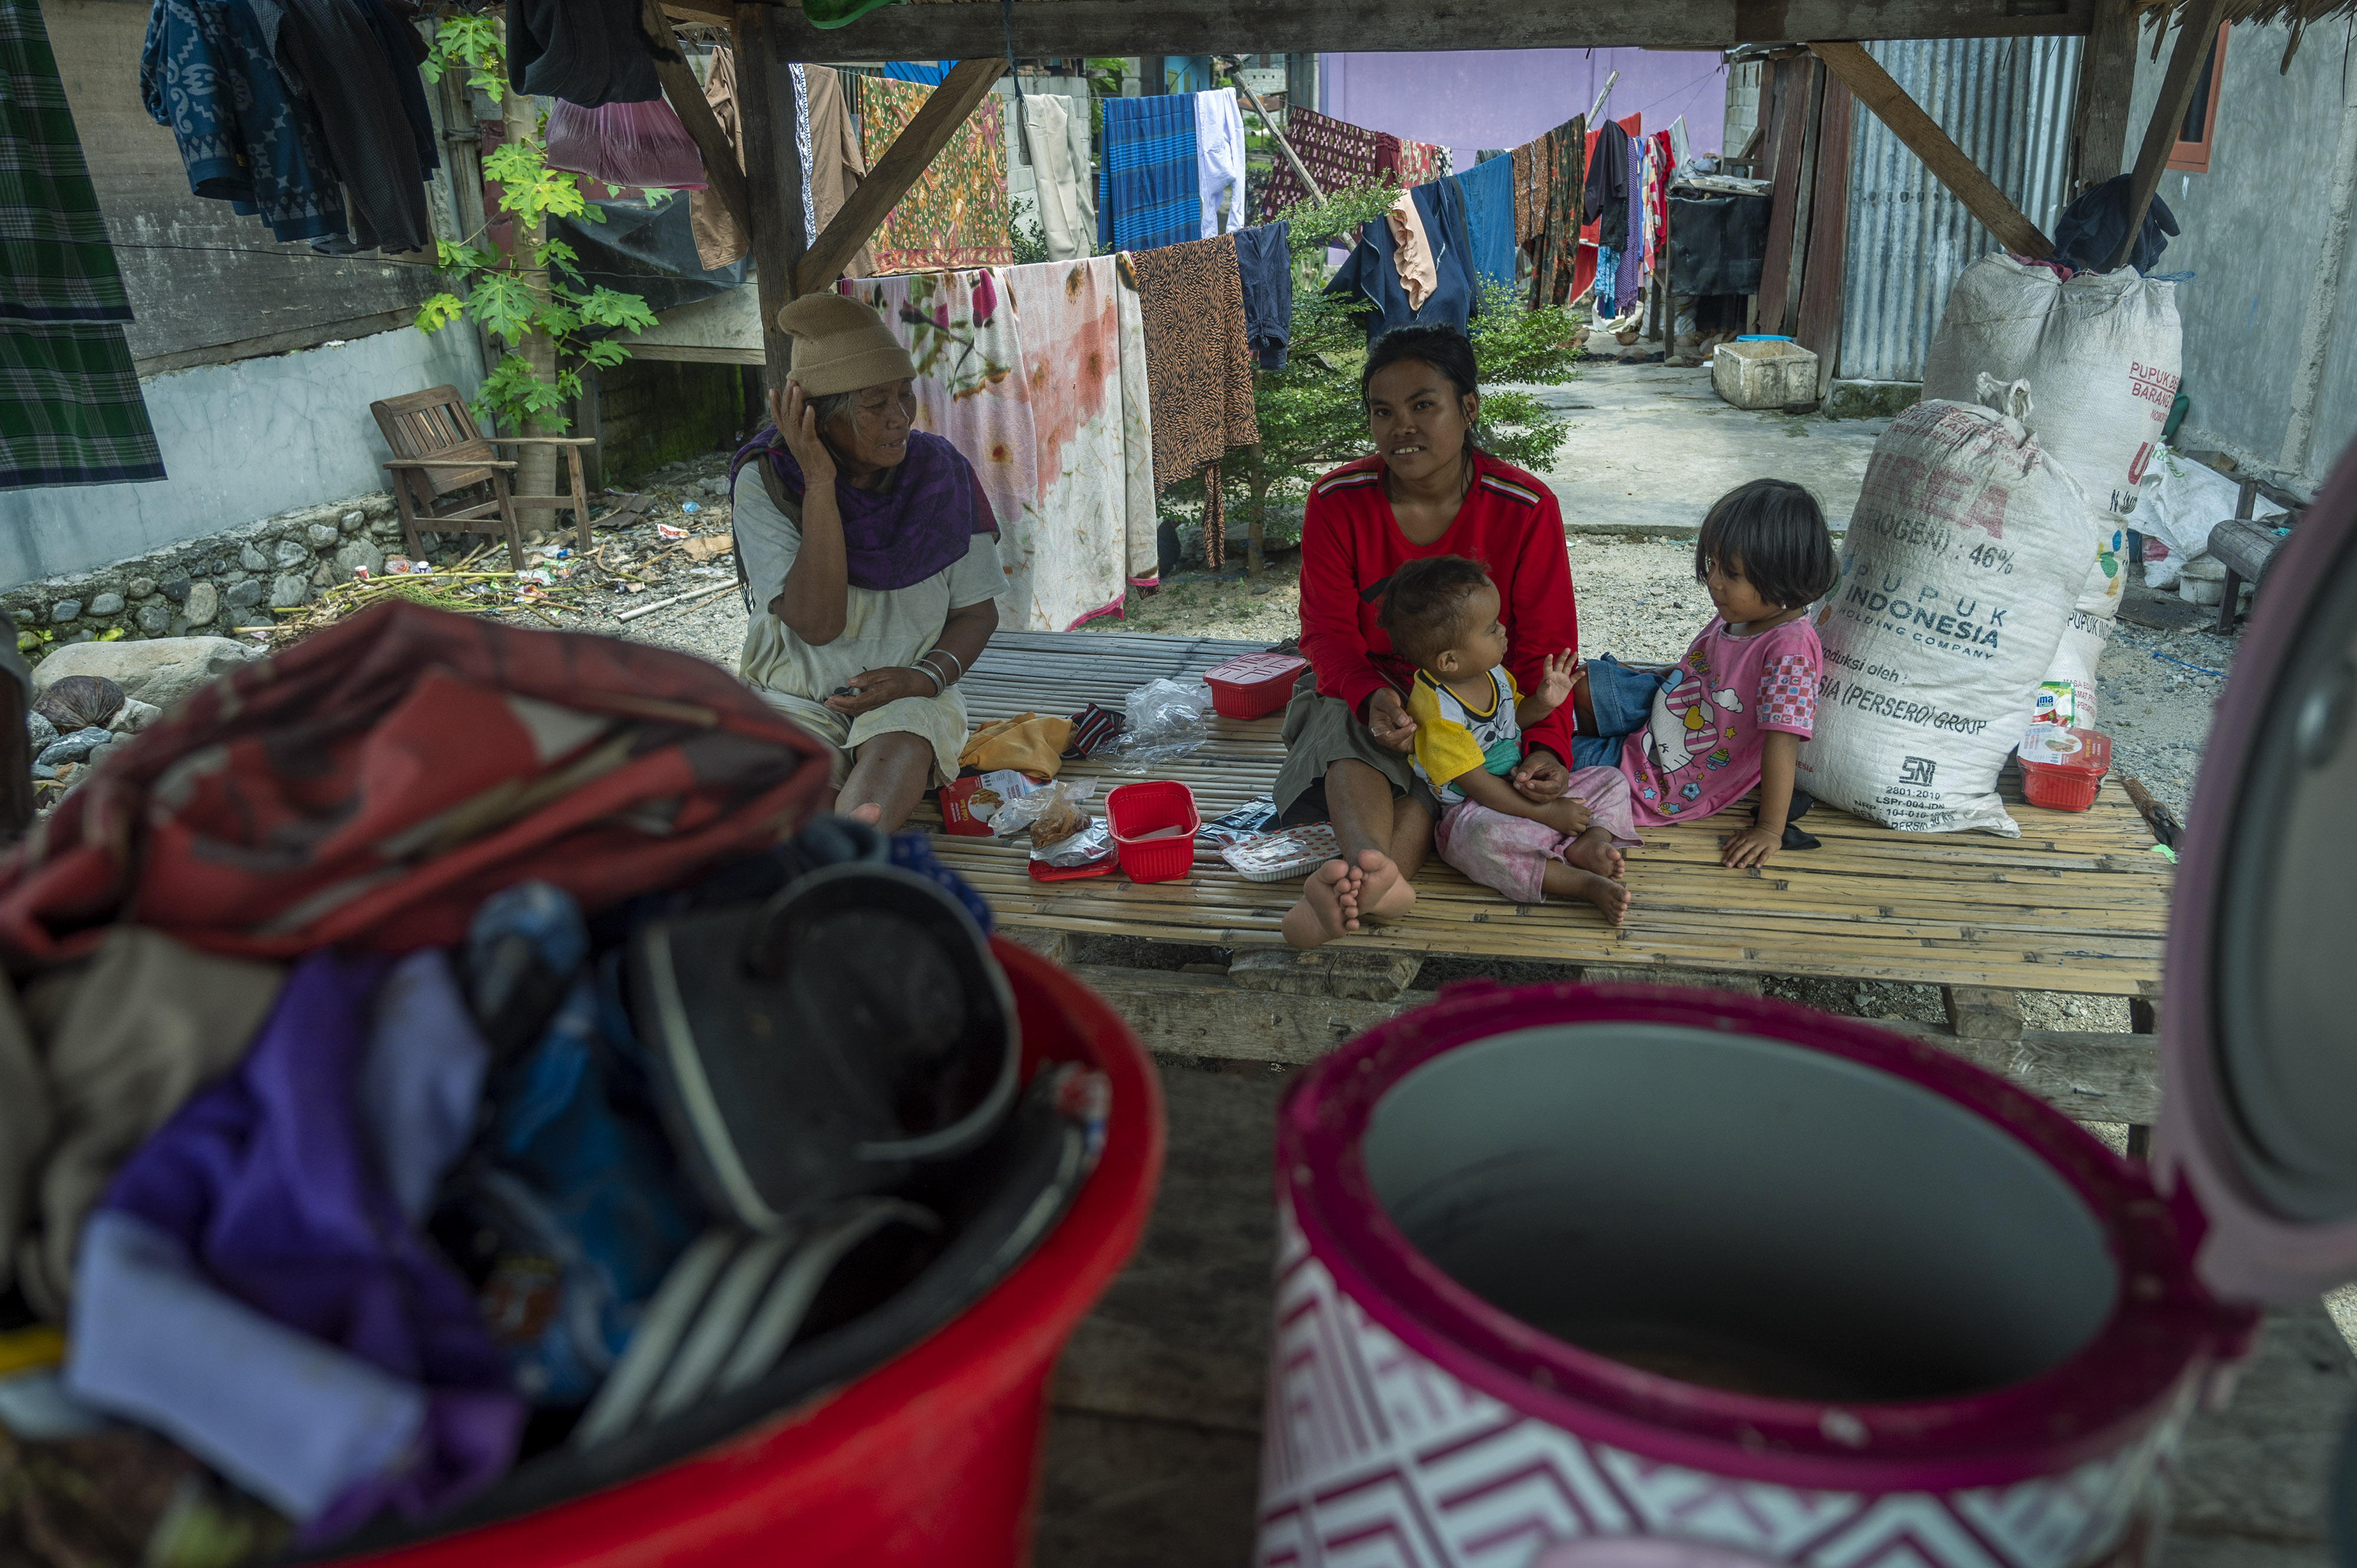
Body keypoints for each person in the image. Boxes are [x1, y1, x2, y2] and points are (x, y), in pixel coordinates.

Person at [1276, 325, 1581, 948]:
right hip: (1372, 698)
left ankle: (1356, 888)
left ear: (1467, 408)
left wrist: (1547, 744)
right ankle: (1371, 872)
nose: (1401, 427)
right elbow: (1328, 635)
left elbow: (1545, 648)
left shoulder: (1523, 507)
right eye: (1382, 411)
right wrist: (1368, 695)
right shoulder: (1336, 500)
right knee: (1345, 727)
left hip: (1476, 711)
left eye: (1423, 405)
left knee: (1440, 779)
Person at [729, 292, 1001, 830]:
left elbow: (978, 612)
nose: (900, 419)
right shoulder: (767, 481)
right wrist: (820, 483)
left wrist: (921, 680)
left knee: (888, 766)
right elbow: (818, 622)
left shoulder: (939, 475)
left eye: (905, 396)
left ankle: (851, 867)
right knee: (795, 814)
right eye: (875, 405)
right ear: (816, 419)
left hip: (911, 697)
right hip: (794, 698)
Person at [1570, 479, 1837, 869]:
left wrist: (1769, 829)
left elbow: (1783, 742)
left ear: (1783, 576)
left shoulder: (1790, 651)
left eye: (1730, 572)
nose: (1713, 581)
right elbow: (1697, 671)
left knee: (1544, 763)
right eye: (1712, 565)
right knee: (1578, 686)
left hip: (1666, 770)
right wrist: (1640, 673)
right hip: (1663, 714)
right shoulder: (1743, 614)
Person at [1381, 557, 1637, 923]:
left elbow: (1511, 719)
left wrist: (1543, 703)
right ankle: (1580, 884)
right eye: (1490, 629)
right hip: (1477, 807)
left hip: (1519, 785)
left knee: (1612, 780)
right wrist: (1548, 813)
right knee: (1477, 840)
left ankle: (1590, 843)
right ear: (1450, 660)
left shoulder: (1492, 673)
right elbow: (1479, 787)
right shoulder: (1438, 715)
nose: (1504, 631)